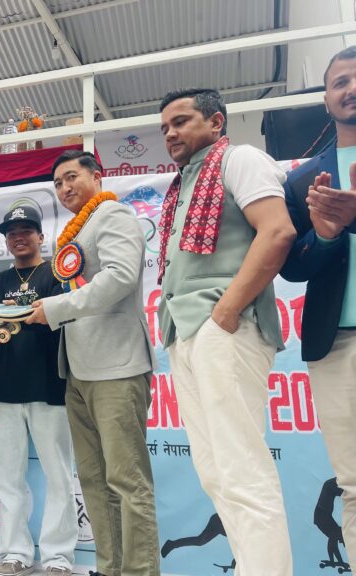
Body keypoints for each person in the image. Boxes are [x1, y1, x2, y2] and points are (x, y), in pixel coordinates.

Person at [157, 88, 296, 575]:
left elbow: (276, 231)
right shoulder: (182, 184)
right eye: (165, 127)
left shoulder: (240, 159)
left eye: (181, 121)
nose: (170, 133)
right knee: (216, 475)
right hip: (185, 332)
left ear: (216, 122)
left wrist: (227, 310)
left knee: (242, 472)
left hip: (223, 328)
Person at [26, 150, 159, 576]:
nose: (65, 187)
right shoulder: (76, 230)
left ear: (97, 176)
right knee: (95, 482)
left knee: (128, 481)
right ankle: (110, 567)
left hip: (117, 366)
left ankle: (140, 571)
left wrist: (56, 308)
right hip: (78, 370)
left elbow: (119, 277)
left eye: (72, 177)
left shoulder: (113, 215)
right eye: (58, 183)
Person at [280, 45, 356, 565]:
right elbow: (292, 267)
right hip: (336, 343)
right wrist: (326, 235)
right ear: (326, 100)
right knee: (352, 480)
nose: (351, 89)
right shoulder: (304, 179)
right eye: (339, 82)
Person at [0, 206, 77, 576]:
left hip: (50, 386)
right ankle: (14, 553)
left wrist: (22, 312)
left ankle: (58, 557)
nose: (19, 237)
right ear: (6, 241)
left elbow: (65, 319)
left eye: (26, 230)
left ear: (40, 236)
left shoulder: (57, 273)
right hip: (8, 387)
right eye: (12, 232)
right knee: (7, 477)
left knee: (59, 475)